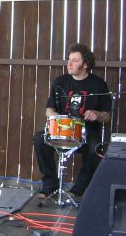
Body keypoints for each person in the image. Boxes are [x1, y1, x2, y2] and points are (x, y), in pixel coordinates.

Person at [33, 43, 111, 199]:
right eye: (69, 59)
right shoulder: (60, 82)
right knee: (39, 139)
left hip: (85, 133)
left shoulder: (98, 84)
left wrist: (97, 114)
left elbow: (107, 116)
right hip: (62, 129)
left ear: (85, 64)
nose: (69, 63)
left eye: (75, 60)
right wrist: (58, 118)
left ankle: (78, 189)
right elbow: (49, 110)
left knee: (95, 147)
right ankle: (50, 185)